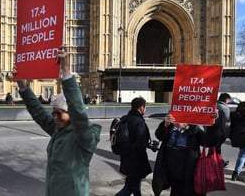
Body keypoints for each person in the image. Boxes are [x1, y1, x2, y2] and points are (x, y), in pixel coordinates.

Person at [13, 47, 102, 196]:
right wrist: (22, 85)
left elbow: (79, 112)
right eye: (53, 113)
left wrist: (66, 72)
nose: (55, 118)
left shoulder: (84, 137)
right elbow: (38, 112)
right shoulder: (58, 130)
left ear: (70, 113)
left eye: (59, 114)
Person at [153, 114, 209, 196]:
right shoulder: (169, 127)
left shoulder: (194, 130)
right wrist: (165, 124)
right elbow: (159, 135)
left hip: (187, 173)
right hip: (171, 173)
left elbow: (208, 141)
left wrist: (214, 122)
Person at [115, 97, 152, 196]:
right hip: (136, 160)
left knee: (135, 185)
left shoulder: (125, 118)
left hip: (126, 157)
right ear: (141, 108)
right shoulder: (139, 122)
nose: (145, 110)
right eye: (145, 108)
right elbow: (140, 144)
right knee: (129, 187)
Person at [204, 93, 231, 165]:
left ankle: (217, 161)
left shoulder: (212, 106)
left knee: (213, 148)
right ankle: (217, 162)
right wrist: (226, 134)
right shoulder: (225, 108)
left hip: (210, 130)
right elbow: (226, 122)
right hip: (219, 131)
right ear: (226, 100)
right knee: (216, 148)